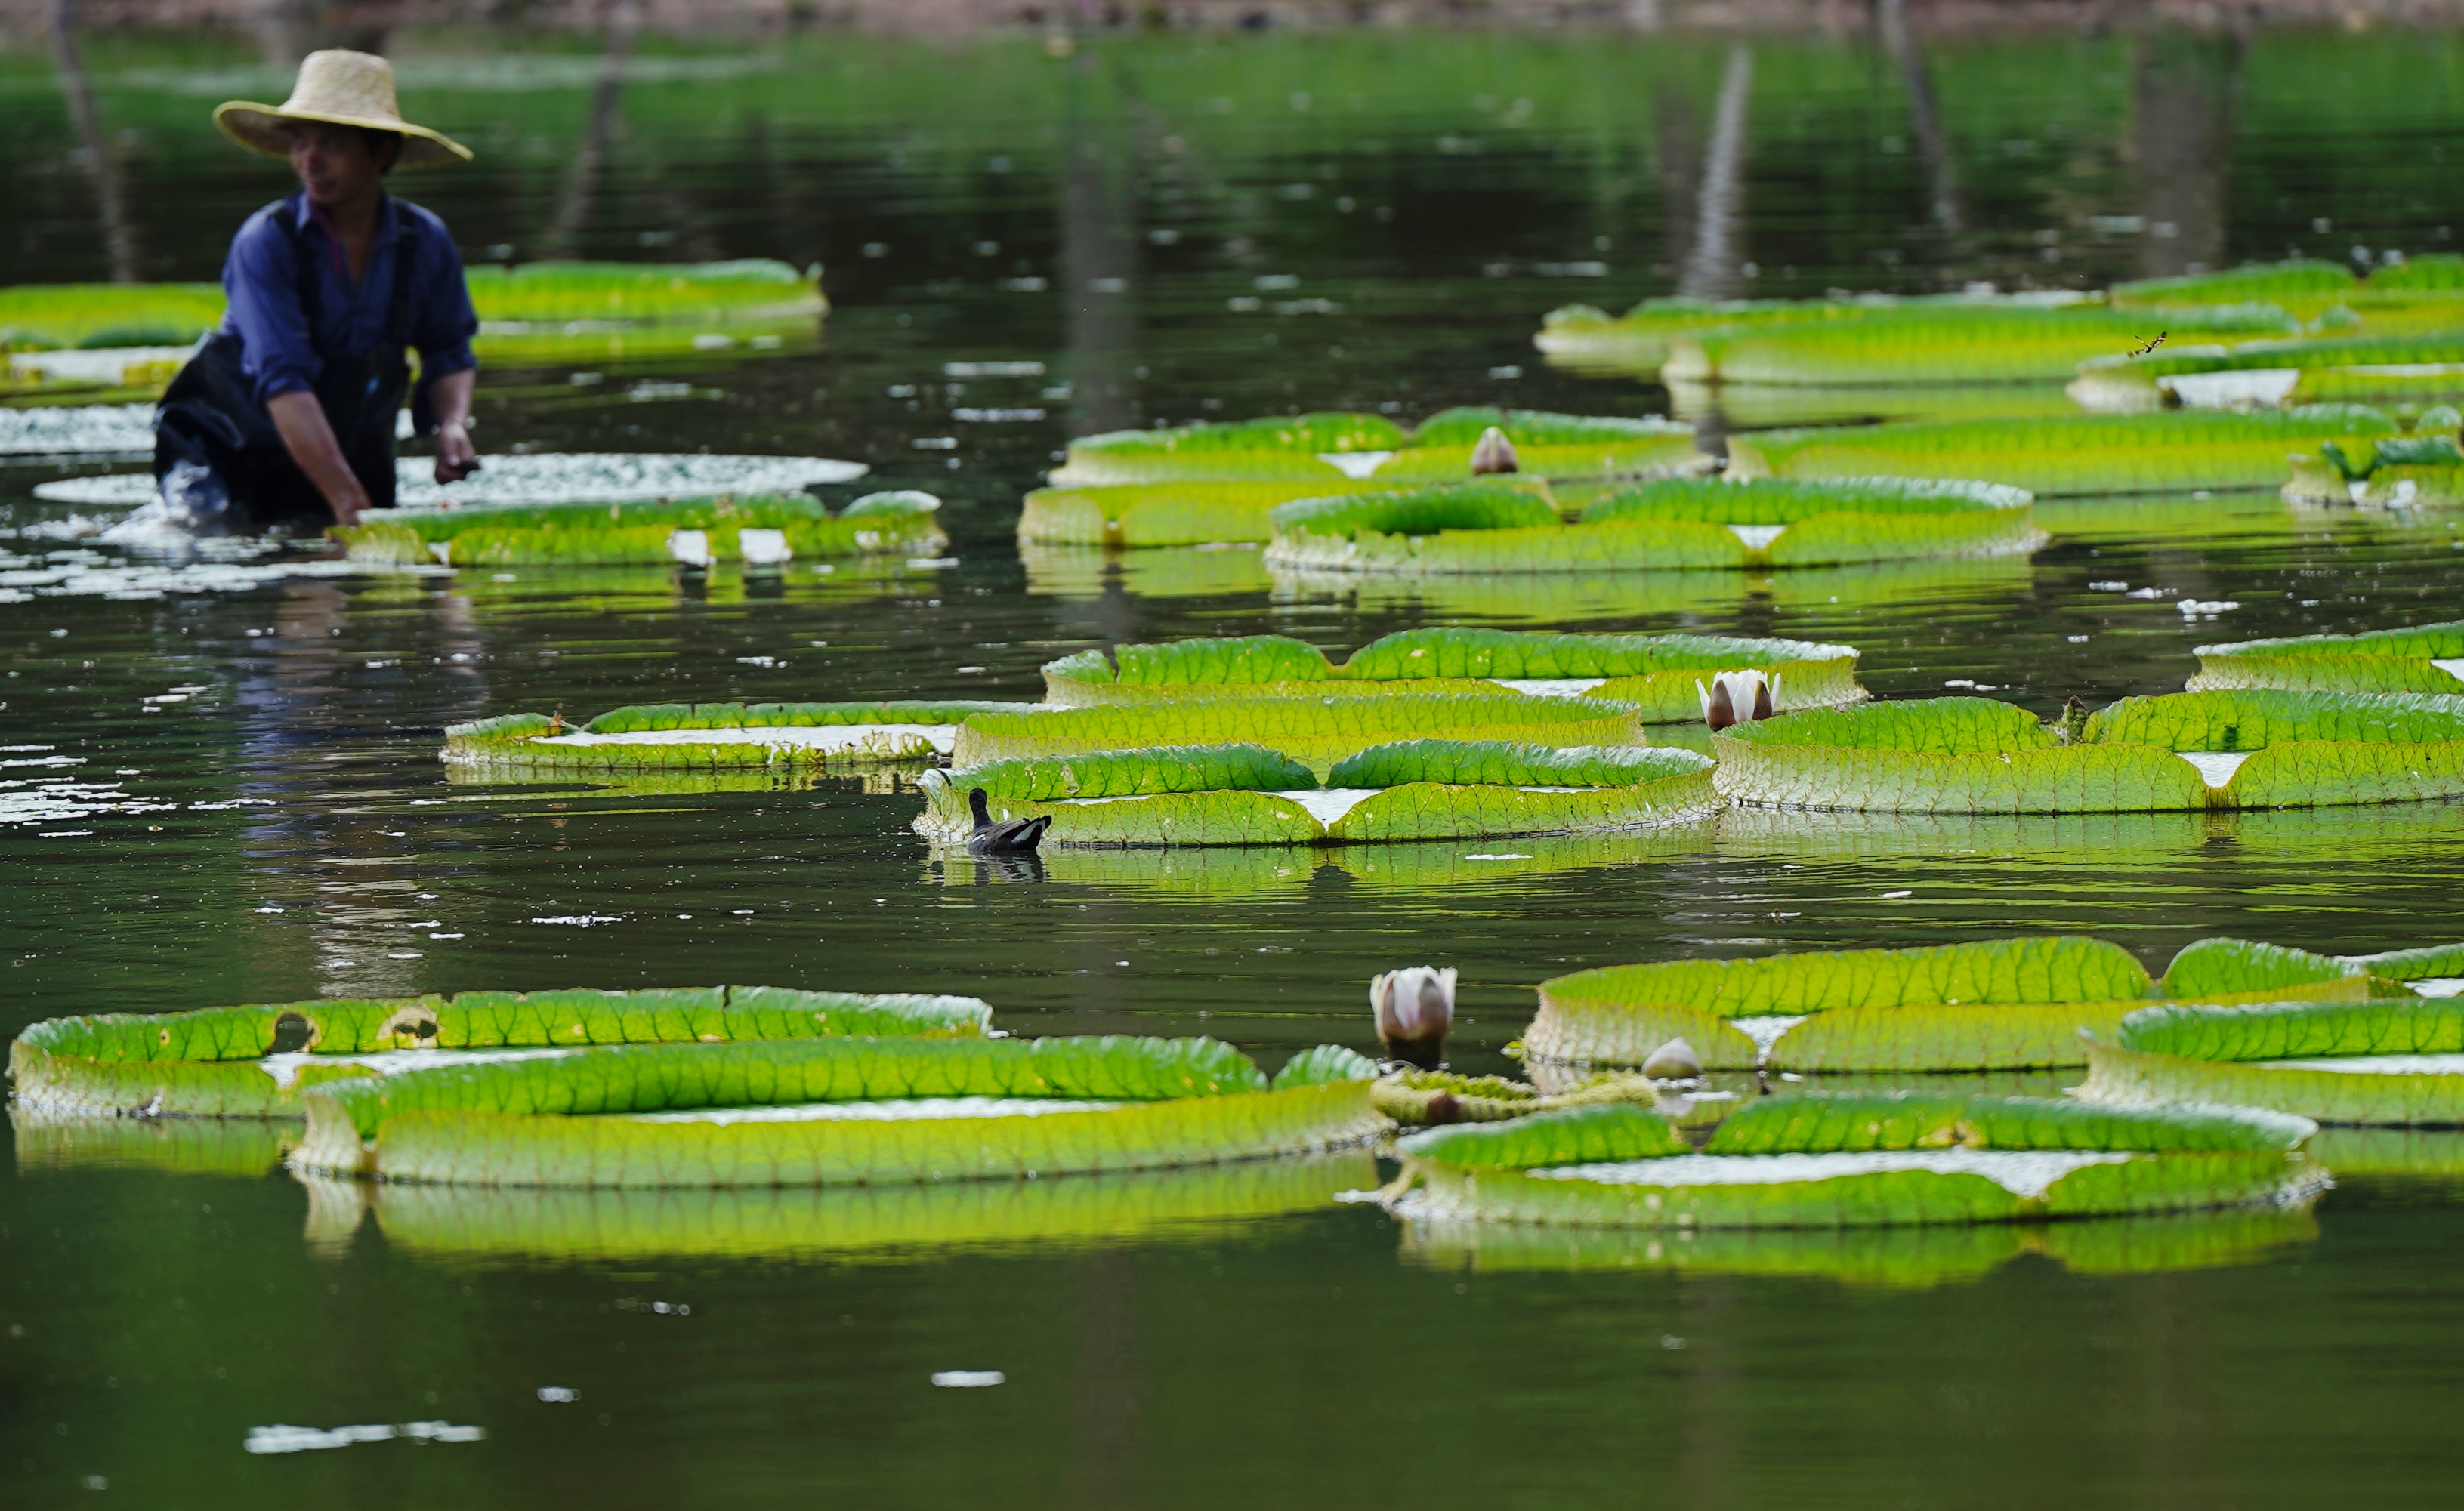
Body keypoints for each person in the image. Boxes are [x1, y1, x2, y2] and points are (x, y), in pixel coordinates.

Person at [153, 49, 480, 534]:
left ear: (381, 152)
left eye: (331, 144)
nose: (309, 160)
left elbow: (449, 351)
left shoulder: (424, 241)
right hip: (225, 468)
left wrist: (452, 425)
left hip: (350, 462)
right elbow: (284, 383)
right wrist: (351, 508)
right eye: (300, 142)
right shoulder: (265, 242)